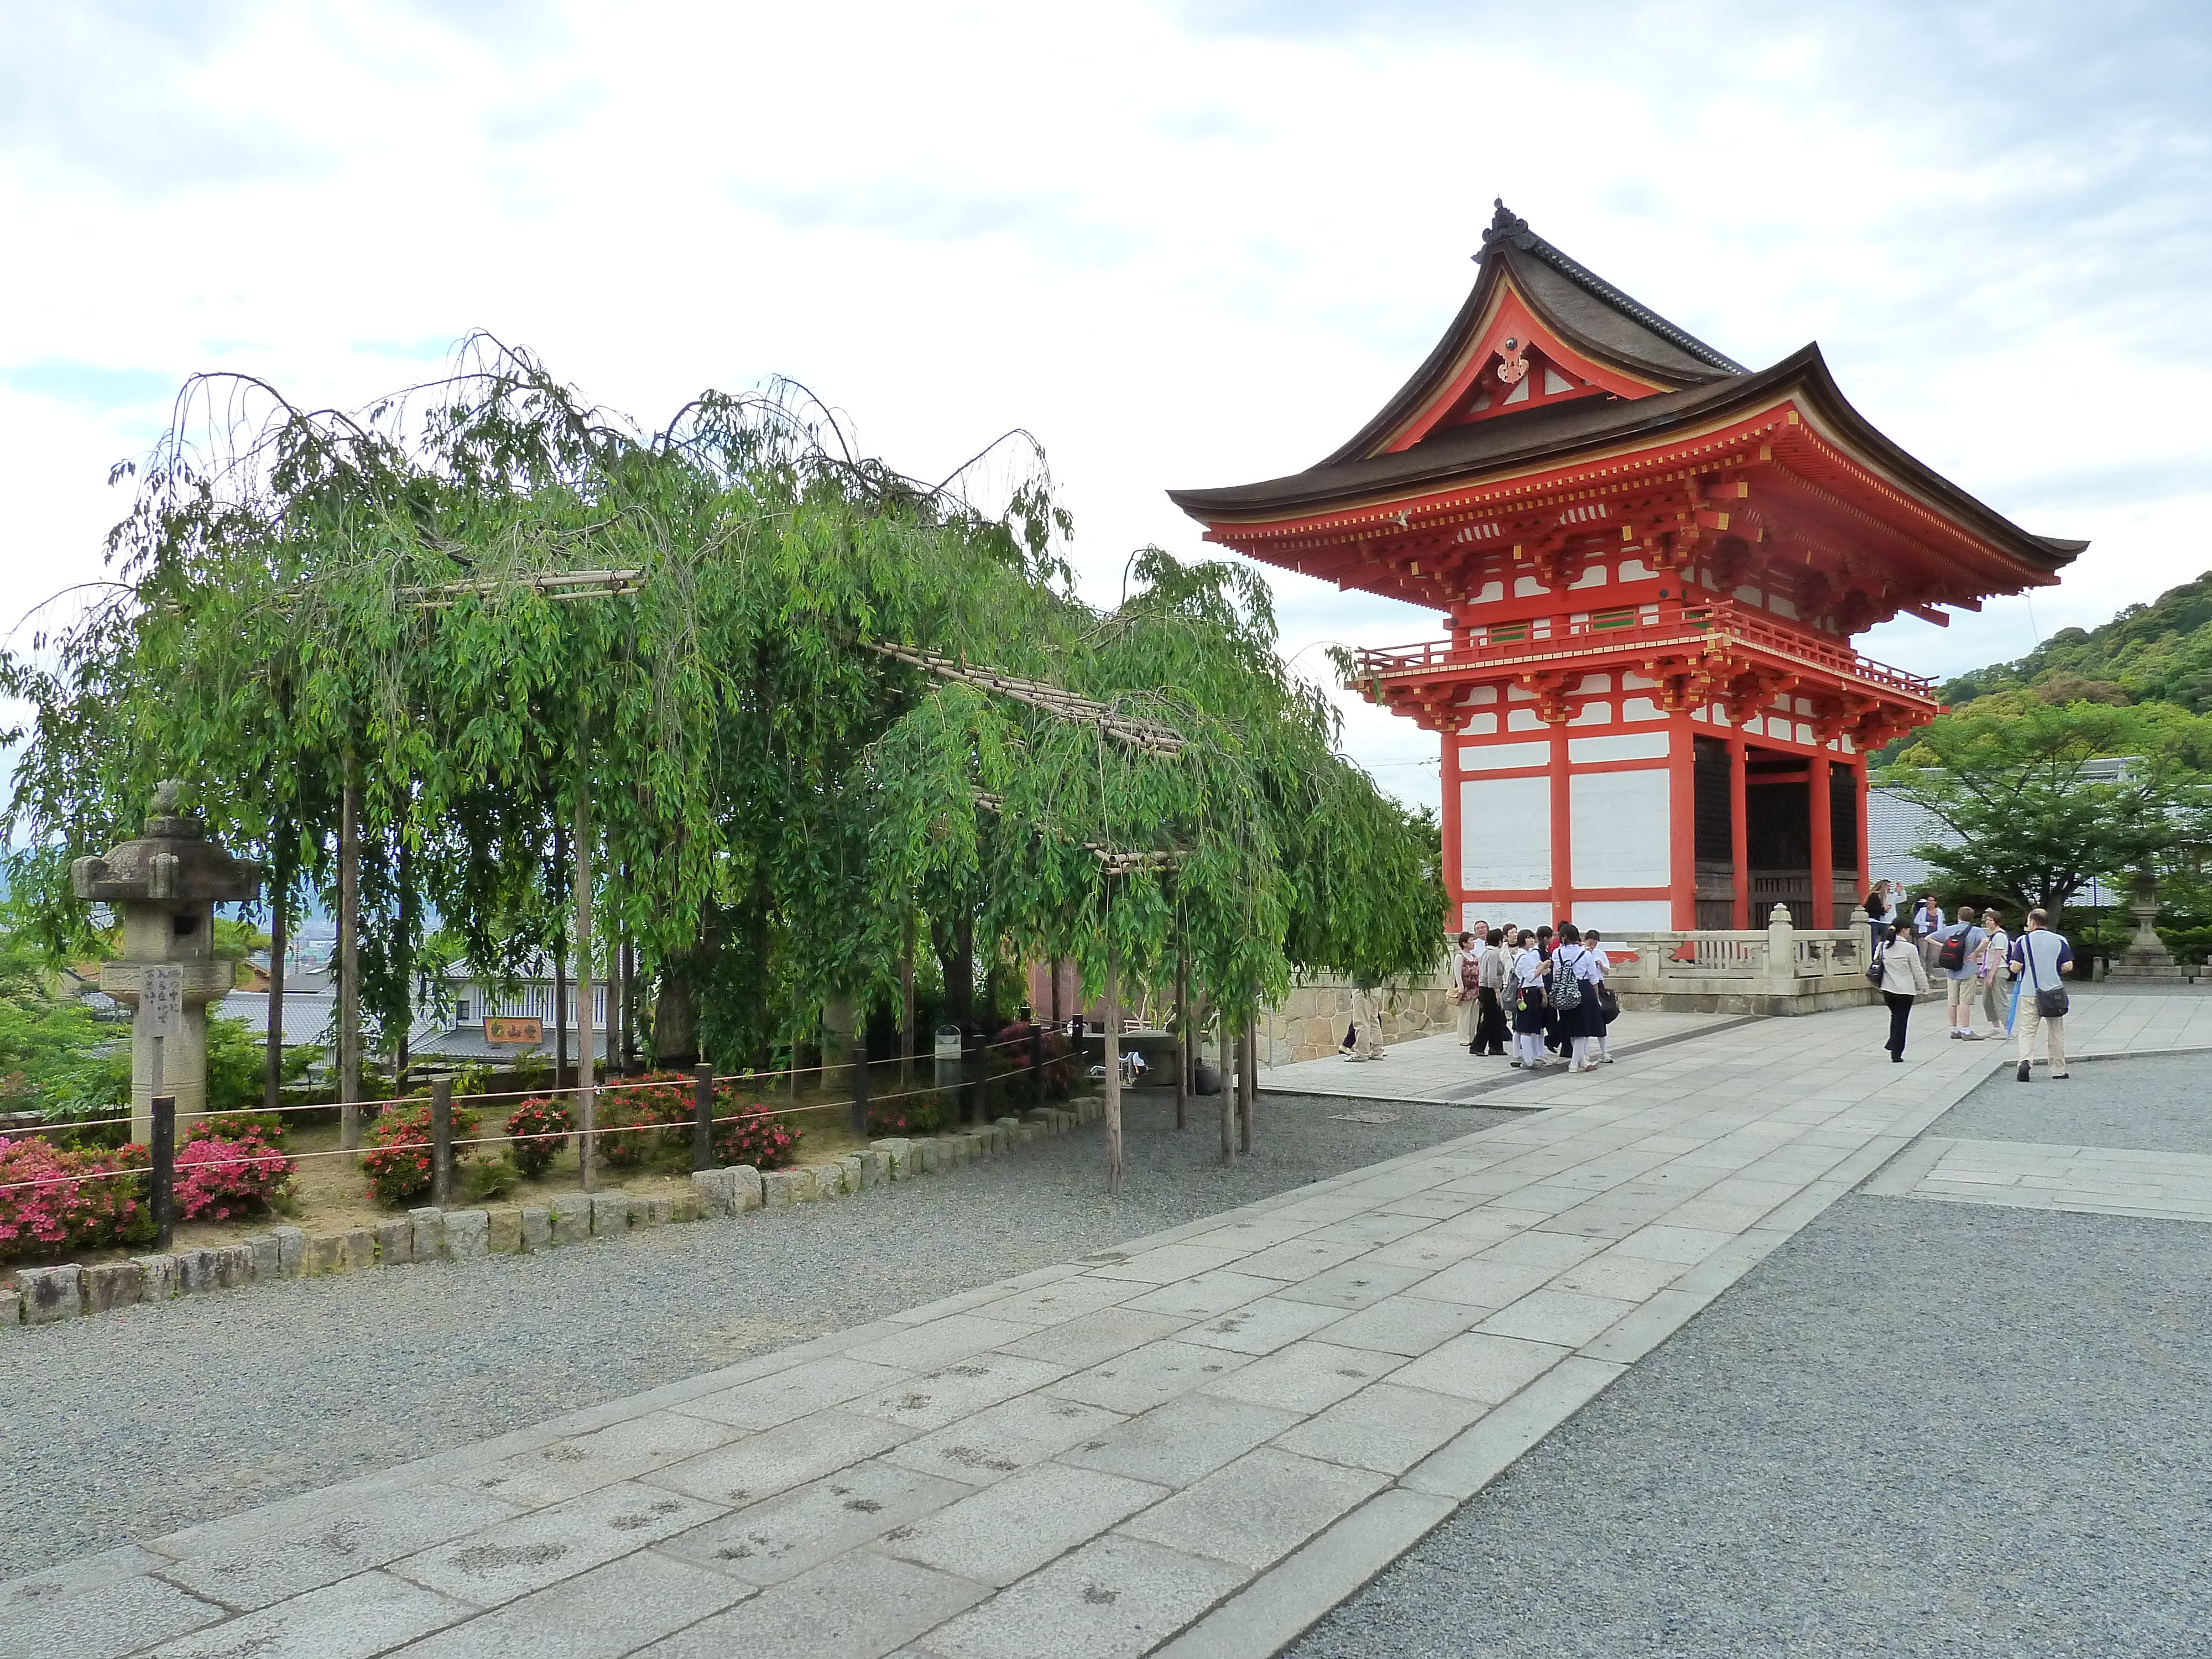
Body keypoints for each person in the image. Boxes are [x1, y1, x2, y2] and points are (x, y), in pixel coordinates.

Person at [2009, 908, 2073, 1082]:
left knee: (2028, 1030)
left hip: (2029, 991)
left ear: (2033, 922)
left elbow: (2015, 967)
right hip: (2054, 992)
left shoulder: (2024, 941)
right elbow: (2068, 966)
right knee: (2056, 1031)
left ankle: (2025, 1062)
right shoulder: (2060, 940)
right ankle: (2058, 1069)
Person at [1550, 924, 1606, 1071]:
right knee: (1582, 1030)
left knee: (1572, 1028)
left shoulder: (1557, 953)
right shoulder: (1586, 954)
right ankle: (1574, 1064)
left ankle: (1584, 1062)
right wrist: (1595, 996)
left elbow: (1557, 972)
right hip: (1583, 989)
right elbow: (1593, 977)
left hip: (1565, 990)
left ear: (1564, 937)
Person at [1876, 922, 1931, 1061]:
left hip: (1887, 988)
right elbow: (1917, 969)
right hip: (1905, 990)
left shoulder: (1883, 946)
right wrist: (1925, 987)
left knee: (1895, 1017)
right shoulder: (1910, 948)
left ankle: (1892, 1043)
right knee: (1901, 1020)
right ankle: (1896, 1051)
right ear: (1904, 930)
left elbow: (1876, 962)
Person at [1931, 906, 1986, 1039]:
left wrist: (1944, 947)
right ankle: (1966, 1030)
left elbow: (1929, 938)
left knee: (1952, 1001)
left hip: (1951, 969)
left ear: (1958, 916)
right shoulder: (1976, 931)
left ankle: (1954, 1029)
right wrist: (1975, 953)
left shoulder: (1949, 929)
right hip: (1968, 968)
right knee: (1965, 1001)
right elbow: (1986, 941)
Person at [1509, 930, 1550, 1067]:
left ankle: (1528, 1058)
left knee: (1525, 1027)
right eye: (1528, 938)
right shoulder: (1525, 957)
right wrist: (1542, 967)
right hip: (1527, 992)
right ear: (1522, 940)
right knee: (1526, 1027)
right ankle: (1529, 1060)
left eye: (1532, 938)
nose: (1531, 941)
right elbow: (1531, 977)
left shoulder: (1524, 955)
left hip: (1526, 991)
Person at [1975, 908, 2011, 1039]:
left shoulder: (2000, 936)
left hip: (1999, 970)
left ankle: (2008, 1029)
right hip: (1990, 970)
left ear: (1997, 922)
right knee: (1987, 1001)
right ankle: (1996, 1027)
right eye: (1987, 920)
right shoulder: (1992, 936)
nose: (1988, 923)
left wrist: (1991, 975)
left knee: (2000, 1000)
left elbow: (1998, 957)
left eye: (1991, 920)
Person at [1474, 928, 1510, 1056]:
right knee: (1490, 1019)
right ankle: (1477, 1046)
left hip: (1485, 988)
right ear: (1499, 941)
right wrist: (1497, 992)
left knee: (1497, 1019)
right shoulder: (1494, 954)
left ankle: (1496, 1047)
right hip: (1490, 989)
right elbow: (1492, 975)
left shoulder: (1486, 953)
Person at [1584, 928, 1617, 1063]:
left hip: (1599, 984)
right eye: (1590, 943)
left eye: (1595, 943)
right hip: (1586, 985)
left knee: (1601, 1019)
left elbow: (1607, 972)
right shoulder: (1581, 953)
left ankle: (1604, 1052)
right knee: (1585, 1021)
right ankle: (1585, 1054)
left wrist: (1601, 965)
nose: (1592, 946)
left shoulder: (1600, 954)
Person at [1452, 931, 1484, 1054]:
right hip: (1466, 988)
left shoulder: (1475, 957)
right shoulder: (1460, 957)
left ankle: (1472, 1036)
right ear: (1464, 943)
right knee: (1465, 1014)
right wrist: (1460, 988)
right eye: (1471, 941)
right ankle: (1463, 1038)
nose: (1473, 943)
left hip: (1475, 988)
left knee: (1475, 1015)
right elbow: (1457, 973)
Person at [1343, 983, 1387, 1062]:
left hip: (1362, 988)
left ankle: (1361, 1053)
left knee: (1361, 1022)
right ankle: (1376, 1051)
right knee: (1373, 1020)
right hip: (1376, 987)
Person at [1912, 894, 1944, 975]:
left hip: (1934, 936)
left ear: (1935, 902)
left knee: (1931, 955)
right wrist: (1928, 924)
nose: (1929, 902)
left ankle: (1930, 973)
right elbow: (1916, 921)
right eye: (1928, 900)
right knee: (1923, 954)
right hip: (1924, 935)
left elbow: (1942, 923)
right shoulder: (1923, 910)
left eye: (1931, 900)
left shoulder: (1939, 912)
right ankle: (1922, 972)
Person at [1864, 881, 1896, 958]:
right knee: (1874, 941)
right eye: (1887, 886)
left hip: (1876, 920)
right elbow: (1872, 908)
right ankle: (1873, 957)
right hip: (1872, 920)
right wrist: (1884, 909)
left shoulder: (1878, 896)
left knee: (1876, 940)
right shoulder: (1875, 896)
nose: (1889, 889)